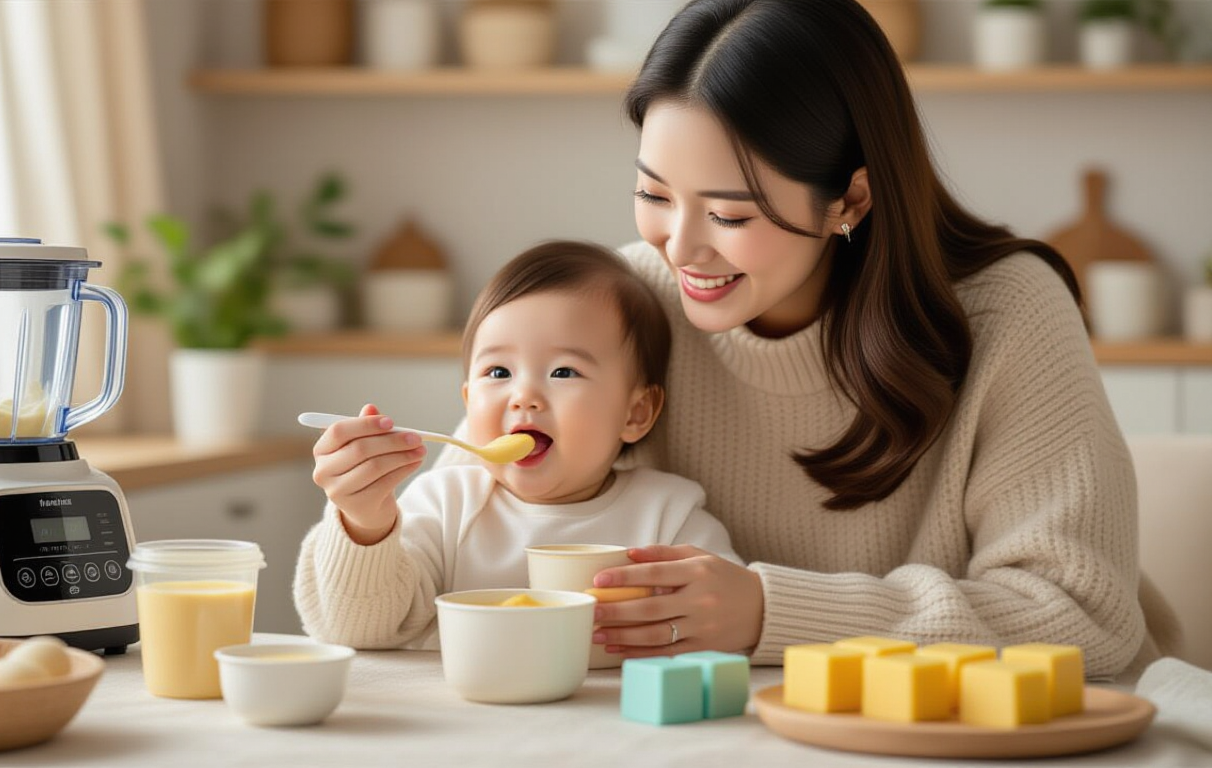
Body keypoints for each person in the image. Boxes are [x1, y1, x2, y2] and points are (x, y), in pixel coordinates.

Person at [436, 0, 1176, 679]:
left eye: (729, 215)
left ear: (848, 199)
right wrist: (367, 525)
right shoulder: (622, 308)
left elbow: (1085, 617)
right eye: (655, 195)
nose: (681, 247)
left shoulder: (1008, 313)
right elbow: (456, 506)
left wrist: (771, 613)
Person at [294, 240, 742, 650]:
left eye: (564, 372)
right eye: (498, 373)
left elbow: (721, 623)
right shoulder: (445, 504)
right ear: (469, 402)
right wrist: (365, 522)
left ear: (636, 413)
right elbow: (361, 630)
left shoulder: (668, 514)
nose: (523, 395)